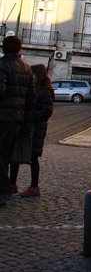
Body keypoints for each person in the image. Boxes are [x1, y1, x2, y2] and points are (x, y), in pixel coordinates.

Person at [10, 64, 54, 198]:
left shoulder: (45, 91)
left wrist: (31, 116)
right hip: (26, 126)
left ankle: (34, 186)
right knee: (15, 156)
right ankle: (12, 184)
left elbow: (47, 111)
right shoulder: (33, 89)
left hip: (36, 128)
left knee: (33, 158)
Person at [0, 35, 35, 205]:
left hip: (3, 117)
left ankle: (5, 189)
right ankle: (3, 190)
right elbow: (31, 98)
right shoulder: (27, 68)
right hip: (17, 118)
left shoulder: (2, 66)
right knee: (5, 155)